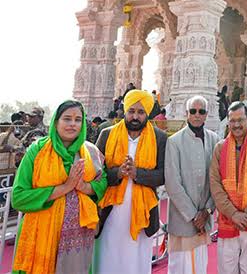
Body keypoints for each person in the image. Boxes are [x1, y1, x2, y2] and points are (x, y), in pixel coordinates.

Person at [12, 100, 107, 274]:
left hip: (77, 240)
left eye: (78, 120)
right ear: (56, 122)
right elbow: (18, 197)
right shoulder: (37, 151)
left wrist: (83, 186)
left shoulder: (91, 152)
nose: (72, 124)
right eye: (67, 119)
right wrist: (66, 187)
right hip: (40, 236)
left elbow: (102, 184)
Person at [94, 89, 167, 274]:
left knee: (136, 263)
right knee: (108, 260)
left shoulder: (159, 138)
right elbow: (95, 174)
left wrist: (137, 174)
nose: (135, 116)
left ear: (147, 114)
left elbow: (163, 175)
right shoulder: (107, 134)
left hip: (143, 213)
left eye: (141, 112)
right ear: (125, 111)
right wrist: (117, 173)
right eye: (131, 111)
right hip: (110, 212)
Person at [209, 101, 247, 274]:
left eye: (241, 120)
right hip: (228, 220)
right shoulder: (220, 149)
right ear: (228, 122)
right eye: (233, 120)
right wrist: (234, 213)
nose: (236, 125)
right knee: (226, 269)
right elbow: (215, 184)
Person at [165, 95, 219, 274]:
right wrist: (193, 216)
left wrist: (207, 211)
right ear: (186, 113)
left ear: (206, 114)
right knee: (179, 266)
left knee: (199, 265)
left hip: (204, 216)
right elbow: (173, 183)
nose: (197, 115)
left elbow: (217, 179)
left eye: (201, 111)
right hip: (182, 218)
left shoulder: (214, 140)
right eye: (193, 111)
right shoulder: (174, 141)